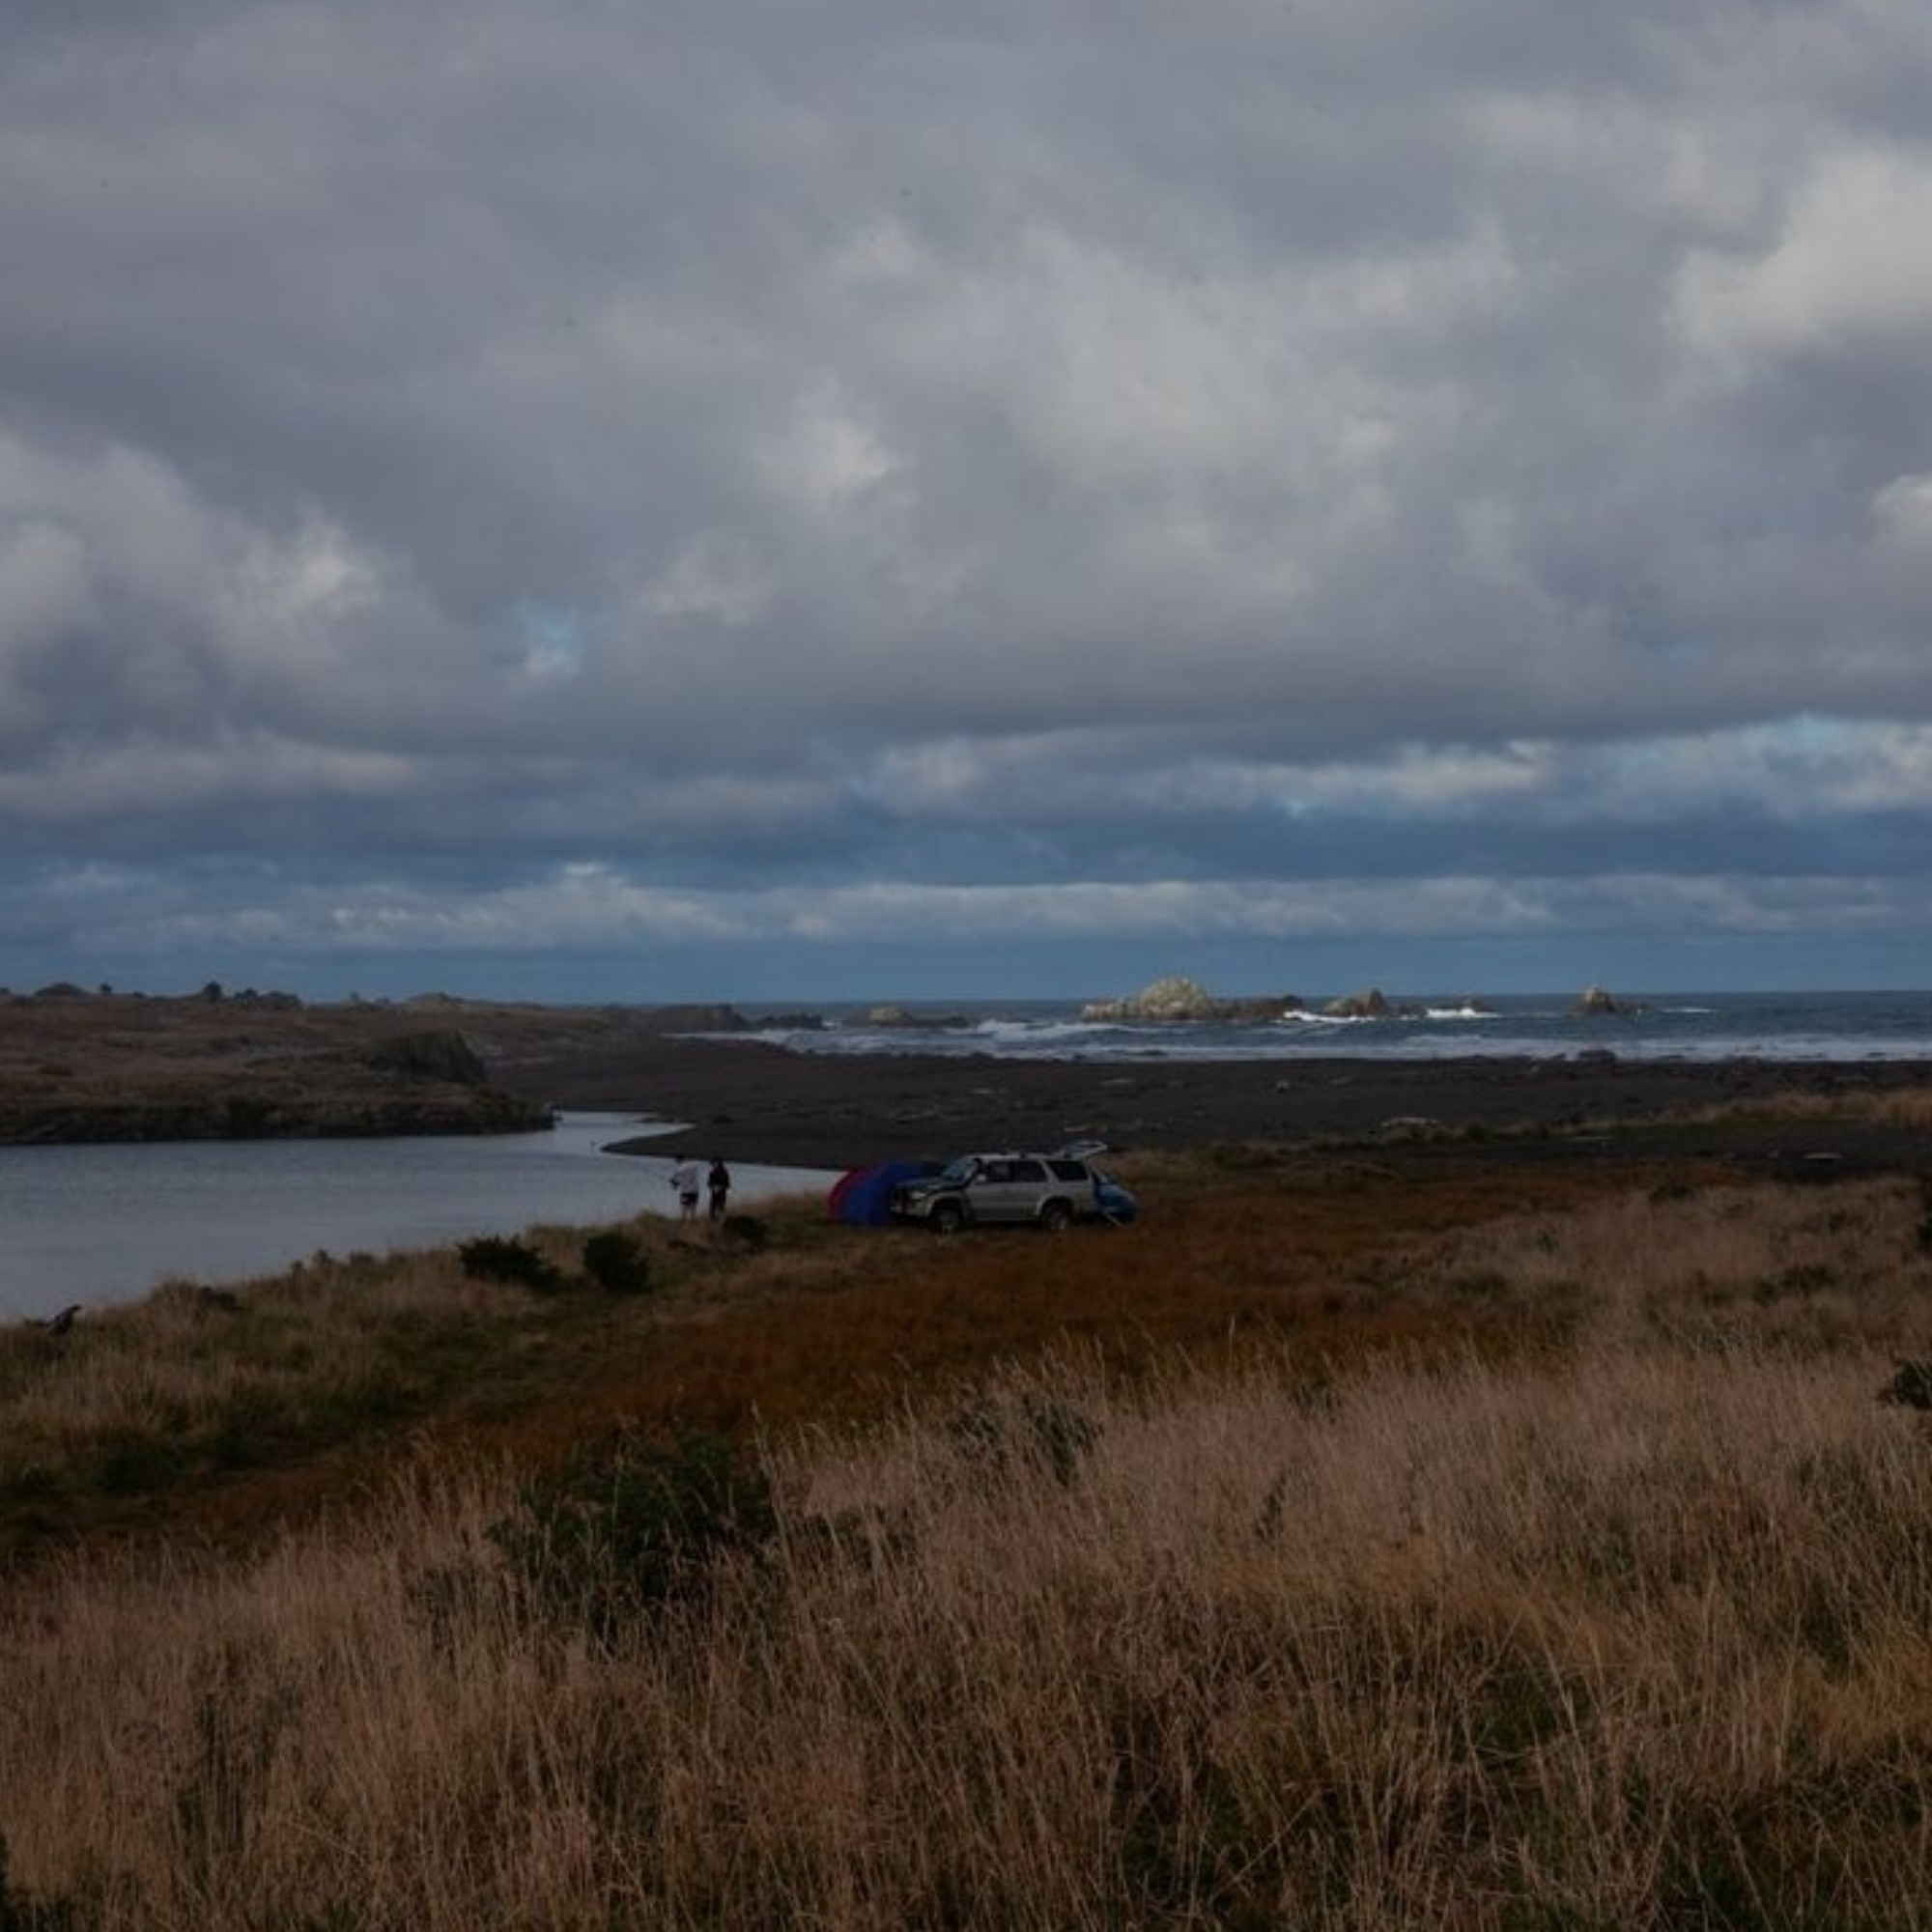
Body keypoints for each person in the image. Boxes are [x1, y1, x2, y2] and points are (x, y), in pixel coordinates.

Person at [668, 1153, 702, 1222]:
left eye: (676, 1161)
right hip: (695, 1190)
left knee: (684, 1206)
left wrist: (673, 1183)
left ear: (678, 1160)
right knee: (693, 1207)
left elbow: (677, 1181)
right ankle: (693, 1221)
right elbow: (692, 1176)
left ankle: (683, 1221)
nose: (676, 1163)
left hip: (685, 1191)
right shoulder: (692, 1166)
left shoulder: (678, 1169)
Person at [706, 1156, 732, 1222]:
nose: (712, 1165)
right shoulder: (712, 1172)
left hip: (721, 1193)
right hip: (714, 1193)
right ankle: (715, 1221)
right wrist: (713, 1187)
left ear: (717, 1163)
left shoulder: (724, 1172)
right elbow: (709, 1184)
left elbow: (727, 1184)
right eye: (712, 1164)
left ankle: (722, 1221)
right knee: (712, 1209)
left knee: (721, 1208)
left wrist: (720, 1187)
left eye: (713, 1163)